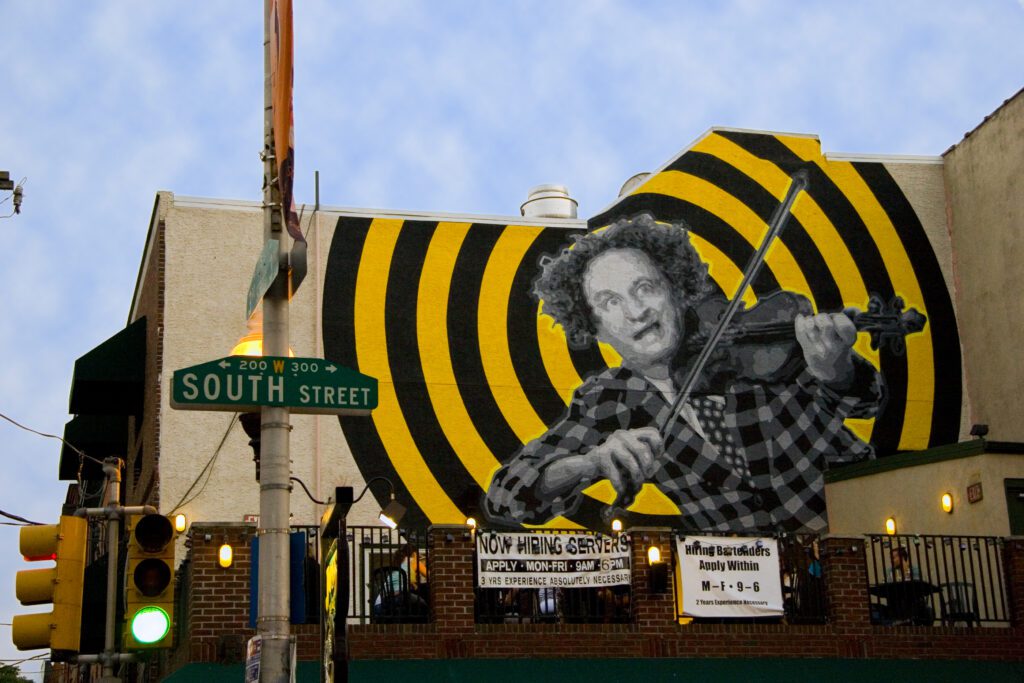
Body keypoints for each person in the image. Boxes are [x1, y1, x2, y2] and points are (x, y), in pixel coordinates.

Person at [484, 213, 884, 532]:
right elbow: (508, 495)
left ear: (675, 290)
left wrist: (836, 369)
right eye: (610, 302)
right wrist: (591, 462)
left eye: (644, 288)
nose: (636, 311)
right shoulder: (607, 401)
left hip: (871, 535)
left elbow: (866, 400)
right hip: (750, 583)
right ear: (594, 327)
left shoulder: (753, 347)